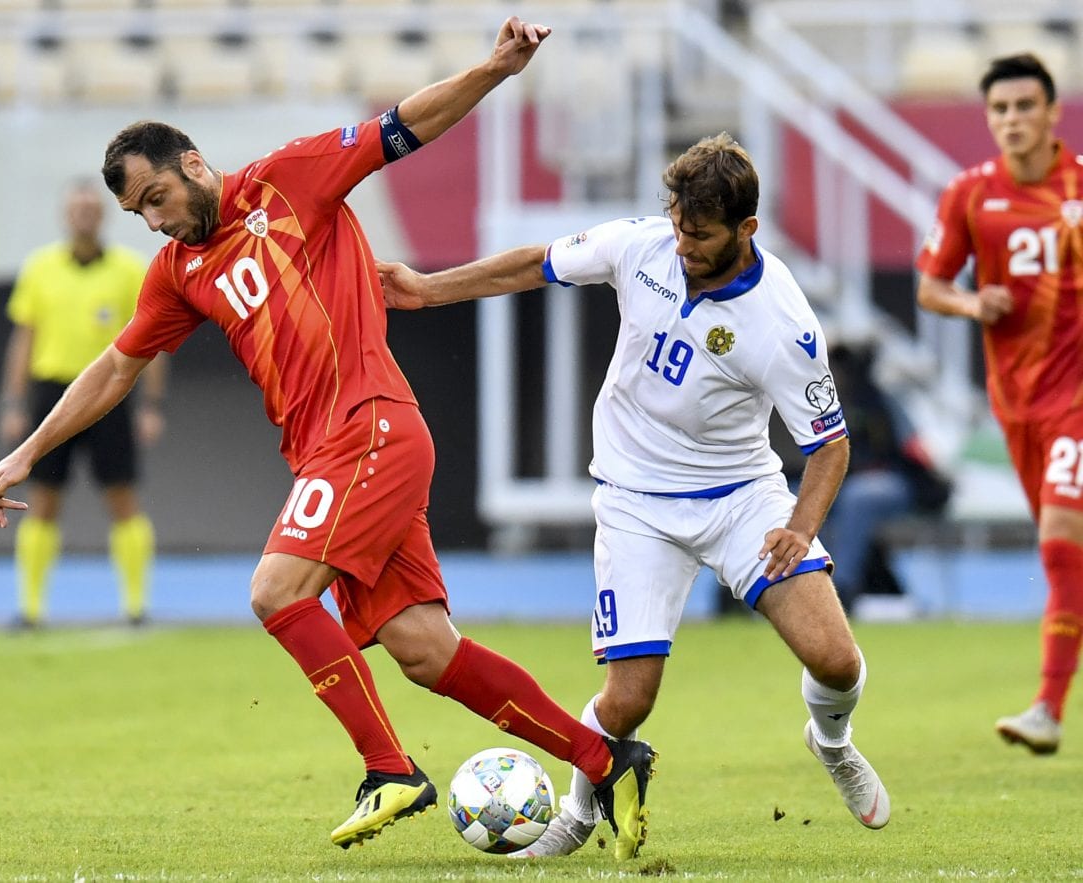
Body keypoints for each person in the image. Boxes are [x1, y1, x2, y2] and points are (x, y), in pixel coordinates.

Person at [0, 17, 657, 859]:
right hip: (339, 452)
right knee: (423, 649)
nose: (151, 222)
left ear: (193, 164)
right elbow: (114, 369)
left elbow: (402, 127)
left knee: (275, 592)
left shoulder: (290, 180)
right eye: (134, 212)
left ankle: (390, 769)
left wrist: (494, 69)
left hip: (368, 426)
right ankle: (605, 757)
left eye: (154, 198)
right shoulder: (179, 273)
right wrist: (28, 450)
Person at [378, 131, 892, 857]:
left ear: (747, 229)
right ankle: (576, 813)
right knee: (628, 702)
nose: (683, 246)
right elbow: (537, 263)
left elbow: (829, 445)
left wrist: (800, 529)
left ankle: (831, 740)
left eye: (702, 235)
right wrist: (428, 288)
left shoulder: (784, 324)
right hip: (635, 501)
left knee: (835, 660)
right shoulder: (642, 246)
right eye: (679, 225)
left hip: (741, 496)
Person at [917, 53, 1083, 755]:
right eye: (1000, 109)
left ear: (1052, 112)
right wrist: (969, 301)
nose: (1012, 120)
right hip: (1015, 404)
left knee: (1060, 542)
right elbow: (930, 286)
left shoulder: (1078, 188)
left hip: (1076, 400)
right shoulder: (969, 194)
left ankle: (1047, 706)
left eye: (1024, 106)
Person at [0, 179, 165, 628]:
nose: (85, 215)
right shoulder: (40, 268)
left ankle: (136, 608)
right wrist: (14, 402)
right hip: (53, 393)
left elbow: (153, 340)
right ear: (66, 215)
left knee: (122, 497)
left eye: (92, 208)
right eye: (77, 208)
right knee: (44, 499)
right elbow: (24, 337)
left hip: (110, 395)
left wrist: (151, 404)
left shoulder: (130, 270)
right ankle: (30, 610)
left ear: (105, 214)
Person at [817, 341, 951, 614]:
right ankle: (801, 586)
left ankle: (841, 588)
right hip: (840, 484)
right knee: (801, 494)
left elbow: (915, 450)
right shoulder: (819, 403)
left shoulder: (882, 401)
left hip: (893, 483)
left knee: (861, 495)